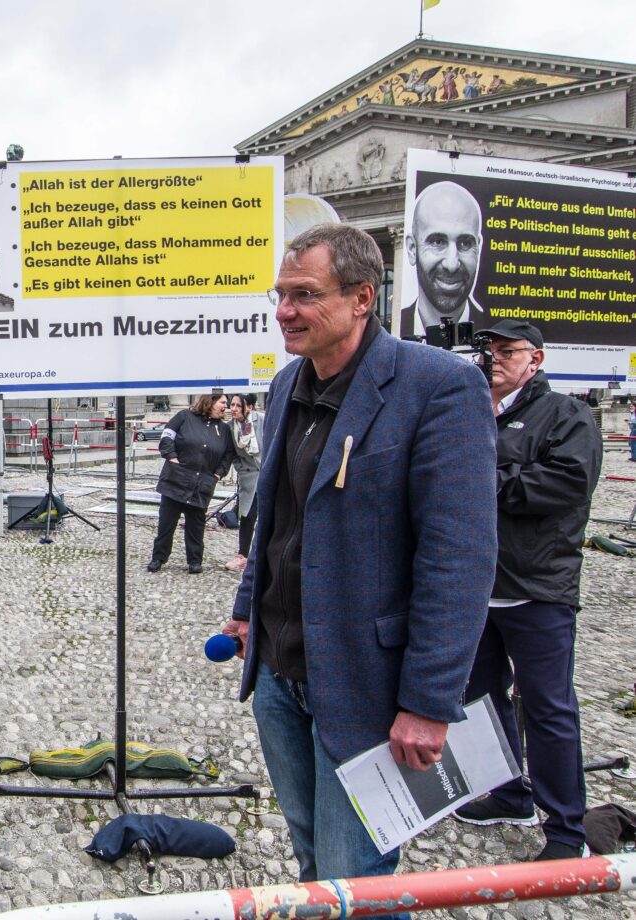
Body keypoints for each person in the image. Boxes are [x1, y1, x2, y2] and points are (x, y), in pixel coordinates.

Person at [221, 223, 496, 902]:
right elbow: (275, 520)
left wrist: (429, 703)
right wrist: (246, 610)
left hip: (367, 689)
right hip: (282, 679)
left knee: (357, 877)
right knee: (315, 864)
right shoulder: (288, 384)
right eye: (280, 294)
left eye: (305, 294)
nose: (284, 309)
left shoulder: (439, 387)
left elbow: (458, 557)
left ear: (362, 298)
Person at [454, 319, 601, 861]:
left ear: (534, 359)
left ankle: (567, 831)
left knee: (546, 708)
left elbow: (566, 483)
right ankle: (508, 792)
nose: (493, 358)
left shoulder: (565, 414)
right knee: (478, 700)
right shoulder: (467, 408)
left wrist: (486, 481)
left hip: (537, 586)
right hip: (475, 585)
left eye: (506, 350)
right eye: (487, 349)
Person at [146, 392, 234, 575]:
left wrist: (218, 474)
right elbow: (166, 438)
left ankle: (194, 560)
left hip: (202, 485)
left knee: (196, 525)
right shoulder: (184, 417)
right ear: (210, 402)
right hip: (175, 481)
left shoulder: (224, 430)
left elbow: (228, 456)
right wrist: (172, 457)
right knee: (166, 524)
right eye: (223, 402)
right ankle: (158, 557)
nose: (226, 406)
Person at [399, 181, 486, 339]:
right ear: (412, 249)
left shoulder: (495, 335)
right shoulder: (392, 337)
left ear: (478, 248)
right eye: (437, 242)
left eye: (465, 243)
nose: (451, 264)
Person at [224, 394, 261, 572]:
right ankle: (242, 556)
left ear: (250, 407)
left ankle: (265, 556)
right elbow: (232, 454)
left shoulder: (261, 420)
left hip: (269, 474)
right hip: (249, 478)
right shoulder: (230, 427)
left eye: (239, 405)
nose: (234, 409)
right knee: (247, 516)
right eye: (232, 404)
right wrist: (241, 470)